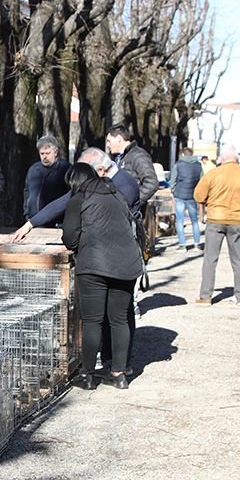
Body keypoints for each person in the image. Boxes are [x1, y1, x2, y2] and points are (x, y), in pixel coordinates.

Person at [62, 162, 143, 391]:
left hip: (94, 265)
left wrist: (83, 246)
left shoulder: (79, 198)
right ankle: (119, 373)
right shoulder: (118, 195)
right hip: (126, 264)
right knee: (119, 319)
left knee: (92, 320)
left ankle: (87, 375)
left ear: (76, 180)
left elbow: (70, 238)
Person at [11, 147, 139, 242]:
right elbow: (62, 203)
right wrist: (30, 224)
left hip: (122, 246)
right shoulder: (93, 181)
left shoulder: (126, 185)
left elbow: (112, 219)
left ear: (100, 171)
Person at [193, 145, 240, 305]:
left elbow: (198, 195)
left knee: (210, 259)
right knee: (239, 260)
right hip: (238, 220)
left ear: (222, 158)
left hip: (215, 219)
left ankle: (206, 296)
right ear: (236, 158)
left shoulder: (213, 173)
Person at [105, 125, 158, 214]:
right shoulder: (116, 158)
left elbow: (152, 182)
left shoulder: (138, 156)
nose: (107, 145)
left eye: (109, 141)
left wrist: (133, 201)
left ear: (119, 138)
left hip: (130, 214)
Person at [23, 135, 71, 227]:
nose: (44, 157)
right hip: (33, 220)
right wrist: (27, 213)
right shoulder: (33, 169)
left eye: (47, 153)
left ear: (56, 152)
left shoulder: (66, 169)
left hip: (56, 222)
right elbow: (27, 192)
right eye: (42, 153)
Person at [167, 147, 204, 252]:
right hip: (192, 195)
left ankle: (182, 245)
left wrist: (174, 191)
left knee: (180, 221)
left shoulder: (178, 165)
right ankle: (197, 244)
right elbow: (202, 181)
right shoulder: (198, 165)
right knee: (195, 221)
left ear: (183, 154)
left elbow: (172, 180)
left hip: (180, 195)